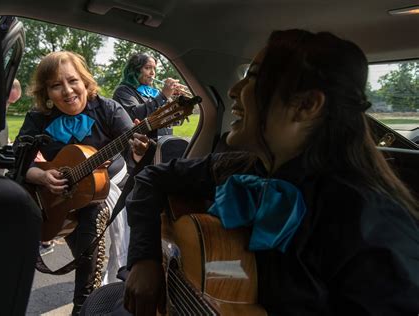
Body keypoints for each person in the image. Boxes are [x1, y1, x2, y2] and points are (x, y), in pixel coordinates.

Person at [123, 29, 419, 315]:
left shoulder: (369, 225)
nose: (233, 90)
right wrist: (144, 259)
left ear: (306, 105)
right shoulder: (241, 166)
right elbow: (152, 178)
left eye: (253, 78)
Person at [13, 51, 149, 315]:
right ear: (45, 92)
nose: (67, 91)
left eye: (73, 81)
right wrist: (40, 175)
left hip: (109, 185)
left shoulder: (107, 109)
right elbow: (18, 159)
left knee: (93, 215)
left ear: (85, 81)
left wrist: (139, 152)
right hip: (62, 195)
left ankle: (84, 305)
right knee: (86, 248)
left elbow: (138, 154)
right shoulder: (37, 119)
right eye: (55, 85)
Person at [112, 53, 184, 139]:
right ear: (135, 70)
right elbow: (135, 115)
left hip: (164, 143)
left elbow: (176, 121)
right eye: (147, 68)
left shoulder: (155, 93)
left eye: (154, 68)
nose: (152, 73)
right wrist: (163, 96)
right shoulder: (123, 91)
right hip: (139, 146)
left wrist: (179, 102)